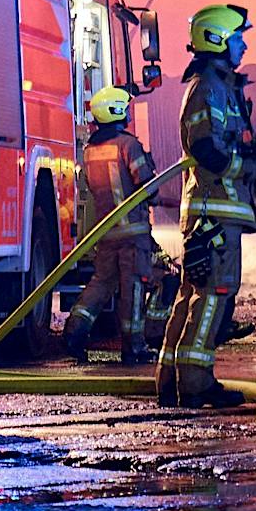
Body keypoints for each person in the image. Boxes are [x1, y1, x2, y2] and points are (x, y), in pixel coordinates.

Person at [157, 4, 256, 409]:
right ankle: (196, 383)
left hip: (211, 213)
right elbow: (204, 148)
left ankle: (171, 381)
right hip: (213, 212)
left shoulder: (218, 85)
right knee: (213, 295)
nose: (244, 44)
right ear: (218, 40)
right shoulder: (209, 88)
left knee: (192, 295)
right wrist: (245, 166)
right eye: (238, 38)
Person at [63, 86, 157, 367]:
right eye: (124, 108)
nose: (128, 113)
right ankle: (134, 347)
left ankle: (74, 332)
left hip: (106, 233)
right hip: (133, 235)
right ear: (117, 111)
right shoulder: (128, 145)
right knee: (134, 288)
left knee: (101, 284)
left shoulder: (90, 150)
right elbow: (146, 186)